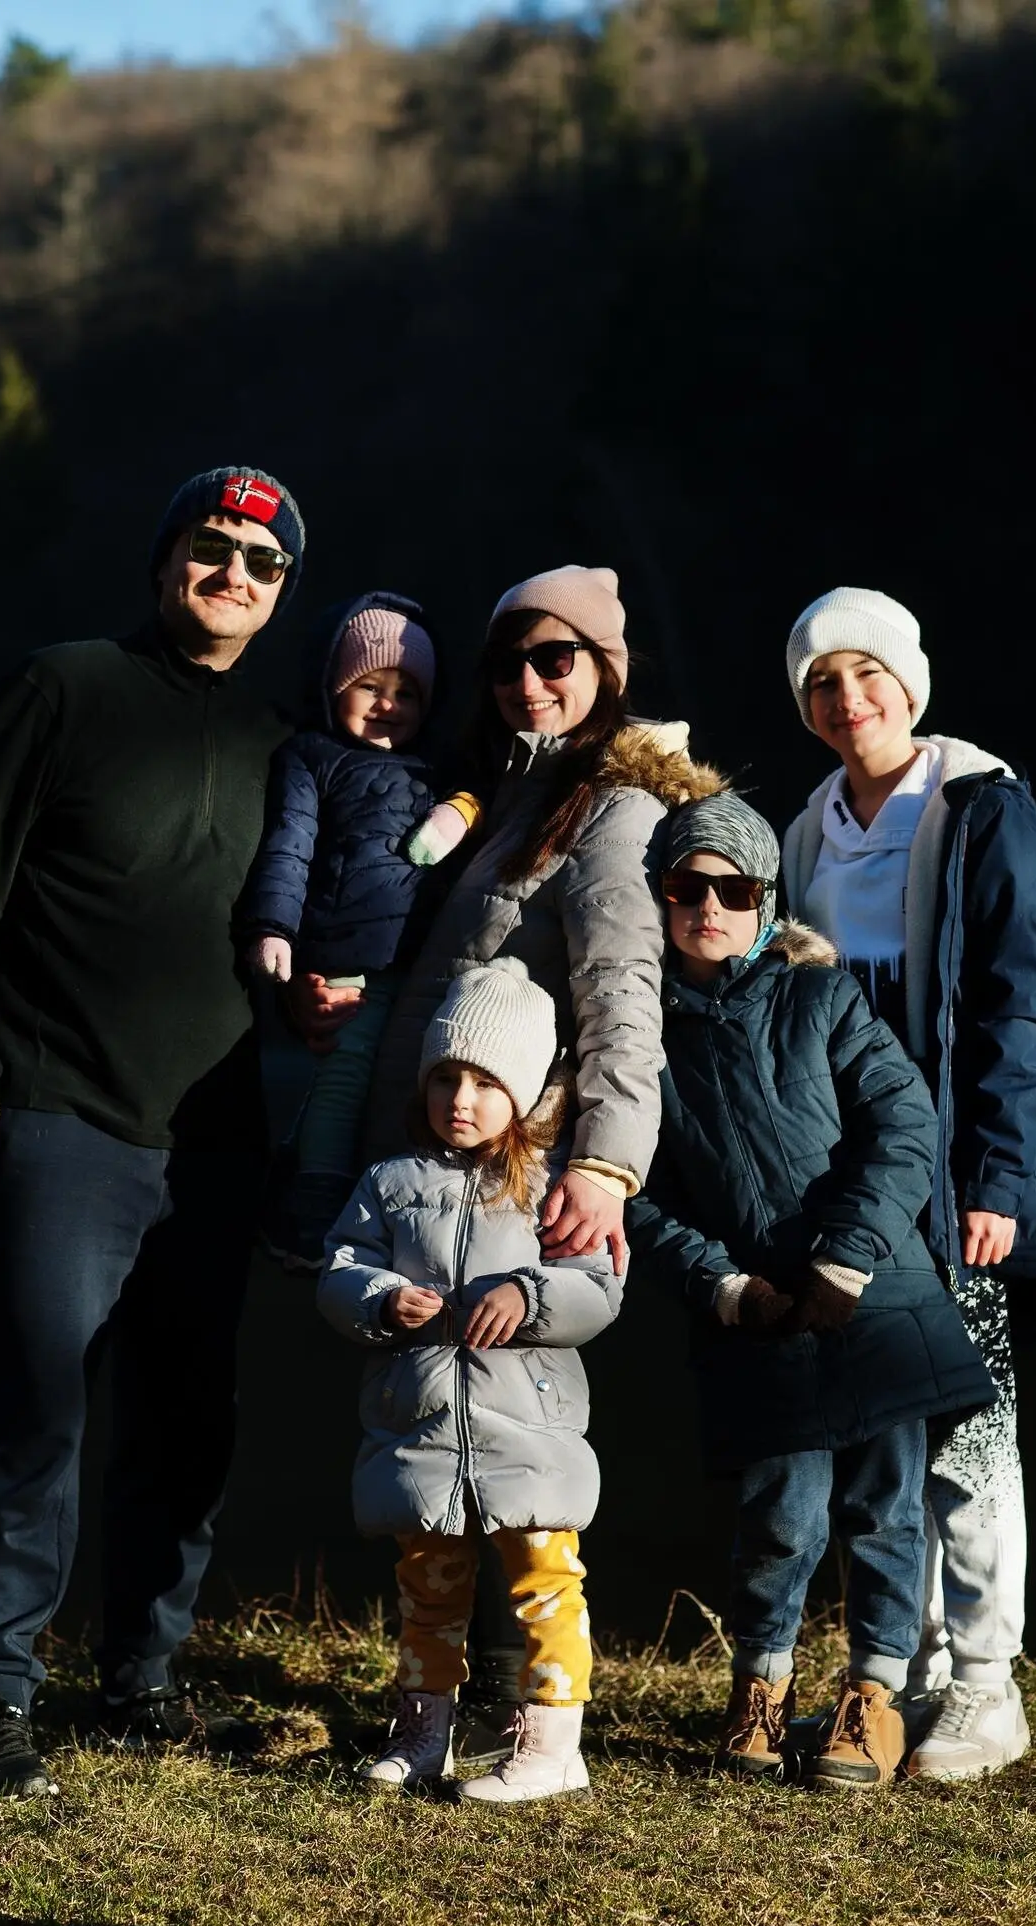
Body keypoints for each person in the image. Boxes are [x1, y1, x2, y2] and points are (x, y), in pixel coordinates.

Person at [0, 464, 304, 1797]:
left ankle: (141, 1682)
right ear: (164, 558)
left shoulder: (280, 739)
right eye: (211, 547)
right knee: (34, 1403)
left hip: (217, 1134)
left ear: (280, 594)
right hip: (58, 1105)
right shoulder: (63, 687)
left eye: (262, 563)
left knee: (189, 1417)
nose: (233, 574)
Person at [344, 563, 722, 1740]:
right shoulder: (508, 790)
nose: (527, 680)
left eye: (554, 658)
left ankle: (532, 1716)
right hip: (441, 1158)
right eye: (508, 659)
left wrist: (604, 1164)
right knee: (441, 1419)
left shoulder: (614, 809)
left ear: (605, 669)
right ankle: (450, 1706)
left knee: (518, 1430)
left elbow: (620, 993)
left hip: (526, 1168)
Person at [781, 586, 1036, 1781]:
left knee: (971, 1431)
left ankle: (983, 1685)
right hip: (856, 1183)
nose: (846, 699)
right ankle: (900, 1673)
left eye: (865, 673)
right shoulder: (806, 832)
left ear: (907, 684)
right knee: (881, 1436)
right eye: (820, 682)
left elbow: (1025, 999)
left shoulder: (978, 806)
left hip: (956, 1178)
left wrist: (998, 1177)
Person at [628, 795, 996, 1790]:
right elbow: (634, 1195)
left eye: (733, 888)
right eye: (686, 886)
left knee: (884, 1510)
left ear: (764, 899)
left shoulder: (820, 997)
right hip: (756, 1315)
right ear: (659, 895)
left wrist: (844, 1259)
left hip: (874, 1297)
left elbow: (903, 1123)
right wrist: (722, 1285)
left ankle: (872, 1698)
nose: (708, 906)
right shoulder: (637, 1034)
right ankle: (759, 1689)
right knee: (779, 1515)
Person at [317, 959, 623, 1802]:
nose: (460, 1099)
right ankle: (423, 1737)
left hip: (528, 1433)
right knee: (427, 1589)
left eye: (486, 1083)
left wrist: (527, 1294)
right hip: (421, 1432)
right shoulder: (389, 1184)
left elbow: (597, 1286)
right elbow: (340, 1270)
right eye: (445, 1077)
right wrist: (381, 1298)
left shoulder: (555, 1184)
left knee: (544, 1582)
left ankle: (553, 1745)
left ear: (522, 1093)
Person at [238, 593, 478, 1270]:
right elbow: (289, 847)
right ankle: (314, 1196)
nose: (388, 704)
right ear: (334, 687)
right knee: (344, 1073)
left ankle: (354, 1205)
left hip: (420, 960)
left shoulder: (438, 767)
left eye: (407, 691)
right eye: (371, 686)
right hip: (344, 953)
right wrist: (274, 929)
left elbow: (481, 801)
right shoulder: (313, 757)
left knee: (394, 1083)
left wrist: (458, 811)